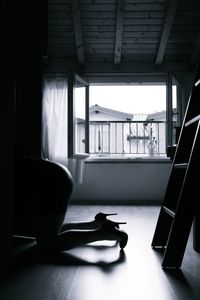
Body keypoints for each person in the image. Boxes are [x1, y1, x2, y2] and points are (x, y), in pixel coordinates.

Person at [14, 157, 128, 254]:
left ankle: (102, 233)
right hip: (55, 172)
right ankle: (97, 224)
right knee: (47, 230)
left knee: (47, 244)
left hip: (47, 181)